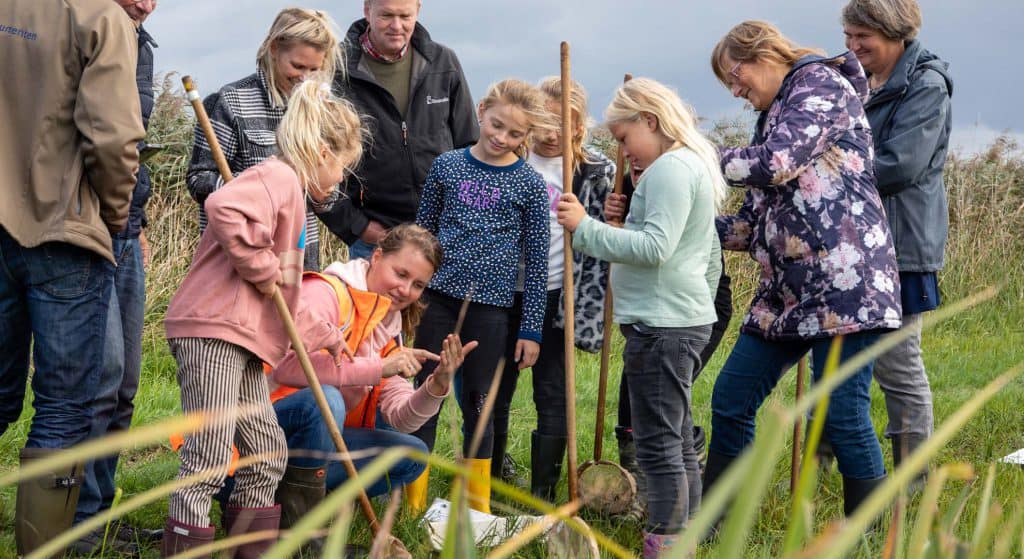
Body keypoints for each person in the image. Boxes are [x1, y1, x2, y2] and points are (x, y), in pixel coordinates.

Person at [705, 20, 902, 521]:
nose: (735, 90)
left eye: (735, 75)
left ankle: (871, 536)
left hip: (846, 284)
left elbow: (776, 163)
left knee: (841, 412)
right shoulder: (771, 117)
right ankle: (717, 526)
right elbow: (748, 227)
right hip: (786, 293)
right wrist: (672, 221)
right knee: (731, 398)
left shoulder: (820, 85)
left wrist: (696, 157)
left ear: (764, 53)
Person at [161, 78, 361, 557]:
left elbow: (283, 299)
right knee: (210, 455)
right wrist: (262, 265)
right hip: (214, 332)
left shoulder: (294, 200)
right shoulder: (278, 176)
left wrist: (325, 334)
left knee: (266, 454)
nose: (339, 181)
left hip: (246, 340)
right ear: (321, 151)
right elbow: (222, 205)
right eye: (342, 168)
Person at [557, 77, 727, 557]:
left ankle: (666, 544)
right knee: (676, 438)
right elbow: (704, 258)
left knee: (658, 446)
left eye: (625, 137)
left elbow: (655, 248)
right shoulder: (687, 165)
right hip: (675, 319)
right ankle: (685, 536)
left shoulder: (671, 170)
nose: (624, 150)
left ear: (649, 120)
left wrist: (584, 228)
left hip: (662, 326)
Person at [0, 0, 144, 554]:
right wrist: (112, 217)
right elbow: (113, 137)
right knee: (64, 407)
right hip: (62, 233)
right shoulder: (100, 16)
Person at [265, 224, 478, 531]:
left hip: (312, 449)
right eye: (400, 274)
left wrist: (437, 385)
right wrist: (378, 368)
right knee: (327, 400)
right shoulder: (326, 293)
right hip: (259, 436)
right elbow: (286, 367)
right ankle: (298, 529)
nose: (405, 290)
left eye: (418, 285)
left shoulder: (387, 324)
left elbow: (401, 419)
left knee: (412, 454)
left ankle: (299, 507)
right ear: (376, 257)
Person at [408, 79, 552, 513]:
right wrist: (409, 299)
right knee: (423, 393)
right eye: (496, 125)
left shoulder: (529, 184)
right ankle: (411, 501)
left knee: (480, 403)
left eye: (515, 133)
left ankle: (476, 507)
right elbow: (422, 235)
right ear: (482, 111)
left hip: (491, 310)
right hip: (437, 300)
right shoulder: (447, 166)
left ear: (526, 136)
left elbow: (537, 262)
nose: (502, 137)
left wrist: (530, 329)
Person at [841, 0, 952, 481]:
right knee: (838, 359)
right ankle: (824, 467)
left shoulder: (926, 85)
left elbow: (900, 165)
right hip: (852, 242)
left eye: (862, 36)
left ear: (894, 32)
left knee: (897, 364)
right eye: (848, 35)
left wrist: (828, 174)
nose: (852, 45)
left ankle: (914, 483)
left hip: (900, 246)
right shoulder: (857, 81)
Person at [490, 76, 615, 499]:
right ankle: (490, 481)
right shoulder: (509, 158)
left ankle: (542, 495)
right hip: (504, 291)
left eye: (563, 123)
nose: (550, 132)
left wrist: (598, 217)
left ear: (579, 126)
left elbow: (608, 232)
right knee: (495, 389)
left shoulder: (594, 171)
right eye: (543, 120)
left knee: (552, 393)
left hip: (558, 295)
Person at [69, 0, 160, 555]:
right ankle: (75, 522)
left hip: (127, 228)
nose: (146, 5)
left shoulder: (142, 44)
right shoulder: (81, 29)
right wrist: (111, 212)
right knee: (98, 380)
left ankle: (100, 514)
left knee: (125, 384)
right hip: (85, 225)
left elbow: (133, 145)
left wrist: (137, 220)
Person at [604, 164, 734, 521]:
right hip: (655, 307)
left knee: (661, 396)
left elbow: (702, 267)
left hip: (696, 308)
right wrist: (614, 218)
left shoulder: (678, 181)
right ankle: (642, 488)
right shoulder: (632, 188)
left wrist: (591, 230)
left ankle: (670, 501)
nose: (635, 163)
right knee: (639, 389)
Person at [319, 0, 478, 259]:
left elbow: (470, 147)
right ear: (367, 10)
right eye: (387, 16)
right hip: (376, 242)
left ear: (418, 11)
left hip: (444, 236)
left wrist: (462, 216)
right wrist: (358, 227)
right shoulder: (336, 70)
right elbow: (315, 164)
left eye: (405, 16)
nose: (396, 26)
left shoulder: (443, 62)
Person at [186, 7, 342, 272]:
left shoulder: (321, 108)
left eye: (314, 69)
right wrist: (256, 191)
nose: (304, 78)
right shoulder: (230, 102)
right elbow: (198, 179)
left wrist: (323, 192)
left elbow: (328, 199)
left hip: (299, 259)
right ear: (274, 48)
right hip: (239, 259)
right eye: (297, 66)